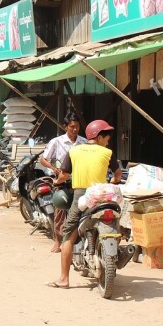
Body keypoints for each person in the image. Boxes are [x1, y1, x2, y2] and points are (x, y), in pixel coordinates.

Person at [48, 119, 121, 290]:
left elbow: (64, 175)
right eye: (107, 137)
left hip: (82, 195)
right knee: (115, 220)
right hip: (103, 195)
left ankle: (64, 279)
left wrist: (57, 182)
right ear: (99, 136)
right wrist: (112, 180)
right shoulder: (107, 153)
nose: (108, 140)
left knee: (68, 234)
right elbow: (117, 176)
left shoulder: (74, 151)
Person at [38, 113, 87, 253]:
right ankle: (58, 241)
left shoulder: (84, 142)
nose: (75, 129)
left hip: (79, 180)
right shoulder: (56, 142)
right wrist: (54, 169)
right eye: (72, 127)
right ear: (65, 127)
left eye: (77, 127)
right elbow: (43, 159)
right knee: (59, 210)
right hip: (62, 179)